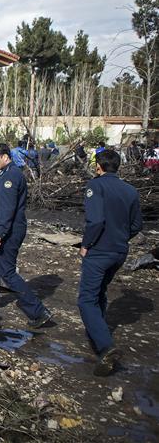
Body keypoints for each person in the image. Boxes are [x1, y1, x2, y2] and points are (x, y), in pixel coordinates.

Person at [77, 149, 142, 376]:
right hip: (119, 251)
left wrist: (86, 244)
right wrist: (120, 238)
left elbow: (95, 220)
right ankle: (98, 332)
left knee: (86, 299)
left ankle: (106, 347)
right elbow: (136, 226)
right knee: (100, 292)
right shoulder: (131, 190)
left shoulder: (96, 186)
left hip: (99, 251)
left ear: (98, 166)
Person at [0, 144, 52, 327]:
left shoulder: (10, 177)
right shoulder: (6, 174)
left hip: (9, 231)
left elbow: (8, 210)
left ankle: (38, 311)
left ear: (6, 157)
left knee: (7, 271)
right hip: (6, 229)